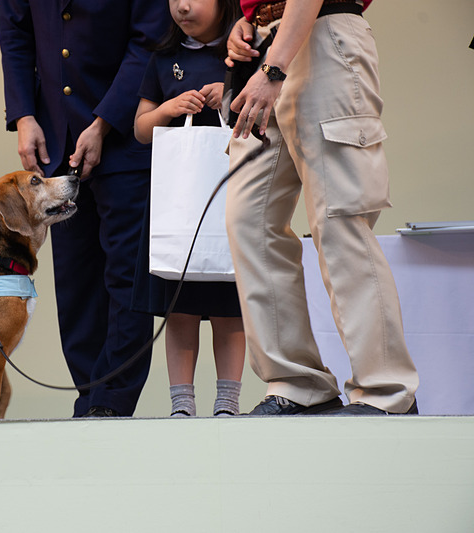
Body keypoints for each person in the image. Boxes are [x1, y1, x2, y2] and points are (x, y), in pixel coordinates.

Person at [224, 0, 419, 415]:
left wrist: (274, 67)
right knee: (248, 223)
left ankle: (386, 391)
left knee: (339, 221)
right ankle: (298, 383)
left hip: (323, 35)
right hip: (268, 43)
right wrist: (248, 22)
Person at [0, 0, 170, 417]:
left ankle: (112, 401)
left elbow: (148, 40)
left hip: (125, 137)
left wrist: (103, 122)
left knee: (125, 276)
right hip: (55, 138)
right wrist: (23, 116)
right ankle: (88, 397)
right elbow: (16, 36)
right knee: (76, 282)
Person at [132, 0, 246, 417]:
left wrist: (230, 97)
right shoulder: (164, 58)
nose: (182, 5)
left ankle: (228, 403)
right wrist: (167, 109)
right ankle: (182, 405)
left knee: (228, 308)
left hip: (228, 198)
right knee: (178, 307)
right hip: (177, 204)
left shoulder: (243, 53)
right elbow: (141, 129)